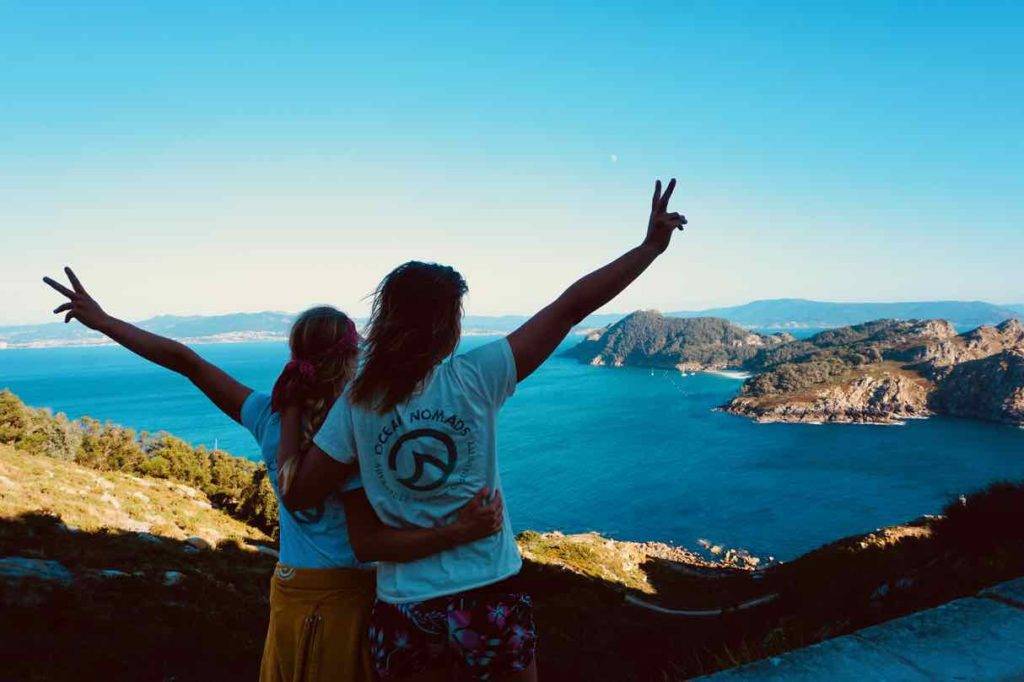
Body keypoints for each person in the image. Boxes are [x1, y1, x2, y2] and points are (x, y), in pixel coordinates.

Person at [277, 179, 686, 681]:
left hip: (402, 609)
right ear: (445, 327)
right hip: (487, 593)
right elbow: (571, 307)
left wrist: (293, 411)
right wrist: (649, 249)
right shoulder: (476, 378)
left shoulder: (356, 406)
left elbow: (304, 497)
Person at [42, 270, 506, 682]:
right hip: (348, 600)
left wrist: (103, 322)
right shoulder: (360, 426)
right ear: (351, 357)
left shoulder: (268, 414)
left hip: (289, 596)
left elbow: (188, 363)